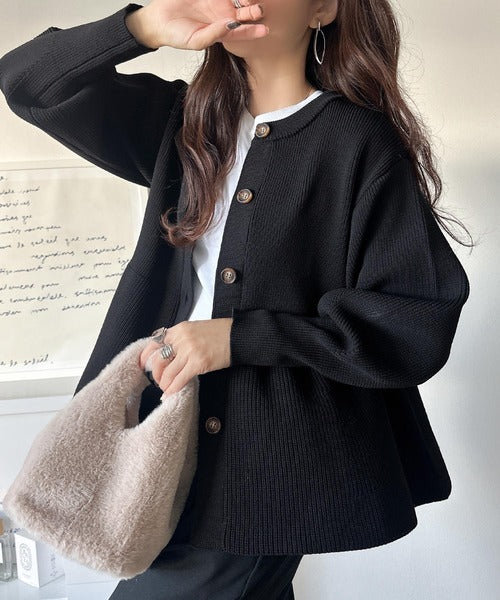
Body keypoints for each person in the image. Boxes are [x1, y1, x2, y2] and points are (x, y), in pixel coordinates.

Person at [0, 1, 473, 598]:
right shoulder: (187, 125)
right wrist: (148, 24)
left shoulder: (357, 142)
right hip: (168, 433)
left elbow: (413, 320)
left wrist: (238, 337)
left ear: (322, 8)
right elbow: (27, 82)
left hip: (269, 461)